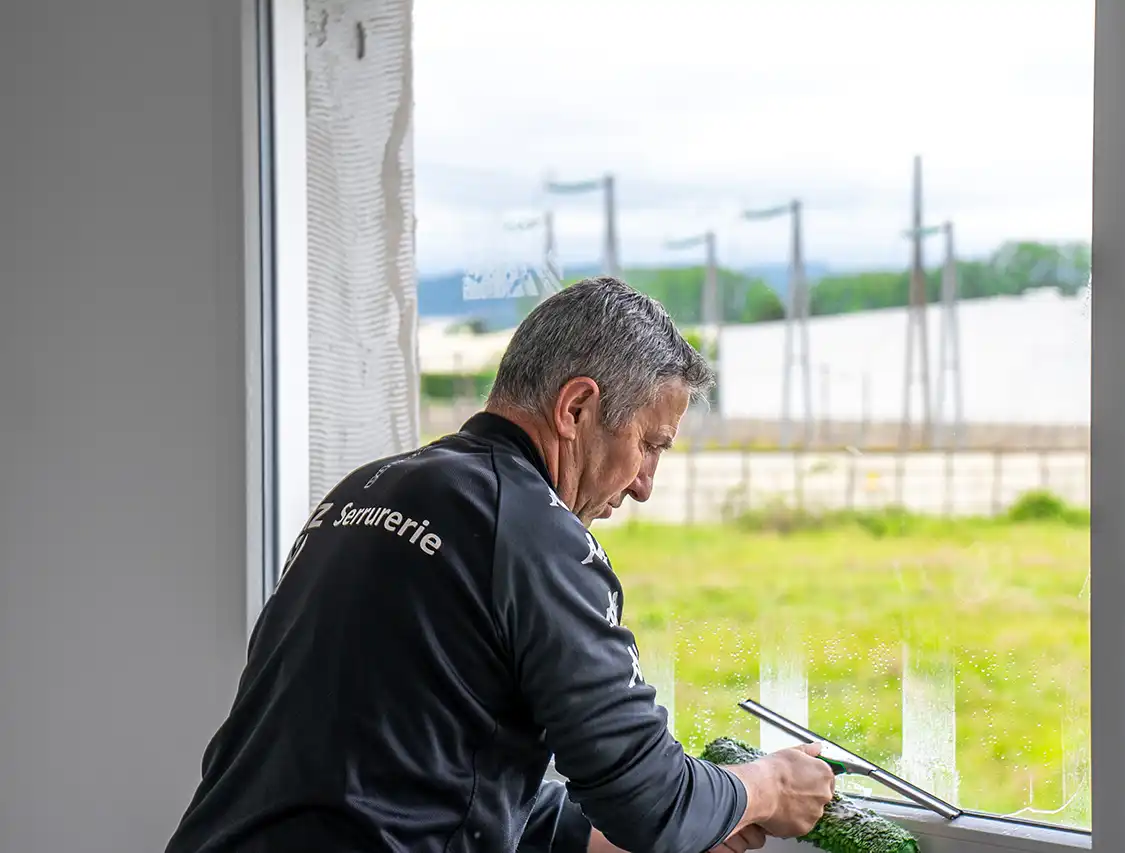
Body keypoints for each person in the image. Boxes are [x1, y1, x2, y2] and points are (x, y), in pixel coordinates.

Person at [165, 277, 835, 853]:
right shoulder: (534, 531)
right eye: (650, 444)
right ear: (576, 408)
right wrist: (769, 786)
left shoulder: (366, 491)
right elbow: (647, 793)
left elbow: (424, 771)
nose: (643, 484)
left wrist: (657, 825)